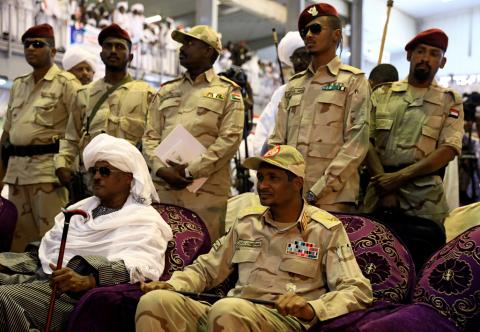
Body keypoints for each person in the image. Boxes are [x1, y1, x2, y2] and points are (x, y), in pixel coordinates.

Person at [135, 145, 372, 331]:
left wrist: (312, 307)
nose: (263, 185)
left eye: (273, 178)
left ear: (297, 183)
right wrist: (172, 285)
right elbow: (206, 270)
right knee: (156, 301)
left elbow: (357, 290)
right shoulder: (247, 222)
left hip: (282, 321)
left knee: (228, 309)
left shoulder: (325, 229)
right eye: (261, 178)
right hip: (232, 313)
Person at [0, 133, 173, 331]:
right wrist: (8, 263)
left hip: (73, 298)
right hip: (43, 277)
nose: (97, 177)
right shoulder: (82, 208)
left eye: (105, 171)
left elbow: (143, 267)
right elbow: (51, 250)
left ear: (127, 178)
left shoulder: (144, 219)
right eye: (94, 171)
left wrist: (89, 280)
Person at [363, 29, 464, 269]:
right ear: (409, 55)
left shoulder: (449, 100)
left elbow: (449, 149)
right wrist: (384, 185)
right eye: (420, 51)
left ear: (442, 61)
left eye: (433, 53)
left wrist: (397, 179)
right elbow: (364, 140)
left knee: (424, 266)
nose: (425, 58)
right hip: (379, 194)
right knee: (373, 263)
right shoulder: (382, 94)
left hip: (425, 200)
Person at [143, 25, 245, 241]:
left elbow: (230, 140)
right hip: (164, 188)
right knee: (161, 253)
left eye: (190, 43)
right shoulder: (166, 90)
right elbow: (150, 137)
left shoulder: (228, 91)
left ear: (208, 50)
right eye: (182, 43)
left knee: (203, 257)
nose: (182, 48)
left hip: (206, 193)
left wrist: (191, 171)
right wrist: (160, 169)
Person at [269, 3, 370, 213]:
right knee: (295, 247)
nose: (308, 35)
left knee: (328, 247)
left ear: (336, 35)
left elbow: (356, 144)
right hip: (291, 197)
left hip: (333, 197)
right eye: (305, 31)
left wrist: (318, 189)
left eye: (316, 29)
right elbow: (277, 140)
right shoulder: (294, 85)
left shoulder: (353, 81)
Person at [0, 23, 80, 252]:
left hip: (48, 175)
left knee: (50, 240)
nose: (30, 49)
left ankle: (49, 287)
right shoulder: (19, 85)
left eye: (38, 44)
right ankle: (16, 286)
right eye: (26, 45)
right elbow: (7, 135)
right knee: (16, 240)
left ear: (53, 51)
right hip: (16, 176)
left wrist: (68, 167)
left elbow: (77, 131)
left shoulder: (67, 84)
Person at [55, 23, 154, 200]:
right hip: (91, 184)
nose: (113, 51)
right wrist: (62, 165)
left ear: (130, 56)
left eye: (120, 47)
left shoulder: (147, 94)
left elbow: (153, 141)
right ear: (101, 54)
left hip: (130, 186)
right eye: (108, 46)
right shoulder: (84, 94)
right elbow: (71, 138)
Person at [253, 31, 311, 156]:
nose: (300, 62)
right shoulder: (282, 92)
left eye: (305, 56)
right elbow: (264, 129)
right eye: (296, 58)